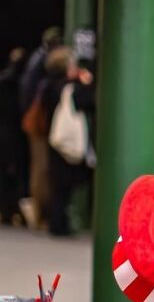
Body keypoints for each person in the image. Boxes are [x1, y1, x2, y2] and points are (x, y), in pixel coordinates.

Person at [21, 46, 73, 230]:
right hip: (55, 137)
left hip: (46, 135)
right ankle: (48, 216)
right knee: (49, 178)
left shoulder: (44, 84)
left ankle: (43, 215)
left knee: (45, 174)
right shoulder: (63, 86)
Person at [47, 58, 95, 237]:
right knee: (64, 188)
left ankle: (58, 222)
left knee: (59, 188)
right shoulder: (70, 88)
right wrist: (86, 84)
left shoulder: (50, 85)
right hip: (66, 145)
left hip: (57, 142)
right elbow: (86, 102)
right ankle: (60, 224)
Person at [0, 47, 27, 225]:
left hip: (5, 133)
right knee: (12, 172)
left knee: (5, 173)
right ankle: (10, 209)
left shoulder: (4, 80)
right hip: (12, 134)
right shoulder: (17, 83)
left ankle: (6, 210)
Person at [18, 26, 62, 117]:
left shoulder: (40, 54)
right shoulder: (42, 57)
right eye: (56, 41)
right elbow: (30, 84)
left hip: (32, 99)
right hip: (34, 100)